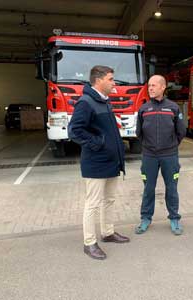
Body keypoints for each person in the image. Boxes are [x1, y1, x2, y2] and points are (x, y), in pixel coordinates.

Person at [68, 65, 129, 260]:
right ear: (99, 80)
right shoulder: (86, 102)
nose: (114, 83)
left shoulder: (104, 101)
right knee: (93, 204)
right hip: (96, 162)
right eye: (111, 79)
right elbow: (74, 131)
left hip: (111, 161)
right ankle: (89, 243)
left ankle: (108, 232)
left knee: (109, 200)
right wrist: (98, 143)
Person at [135, 75, 186, 235]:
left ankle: (174, 219)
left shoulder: (173, 108)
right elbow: (139, 133)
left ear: (163, 87)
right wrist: (149, 147)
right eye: (149, 85)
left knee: (172, 188)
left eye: (154, 85)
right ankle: (145, 218)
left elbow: (181, 131)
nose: (150, 88)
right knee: (148, 189)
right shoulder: (144, 109)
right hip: (149, 156)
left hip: (169, 155)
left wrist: (170, 145)